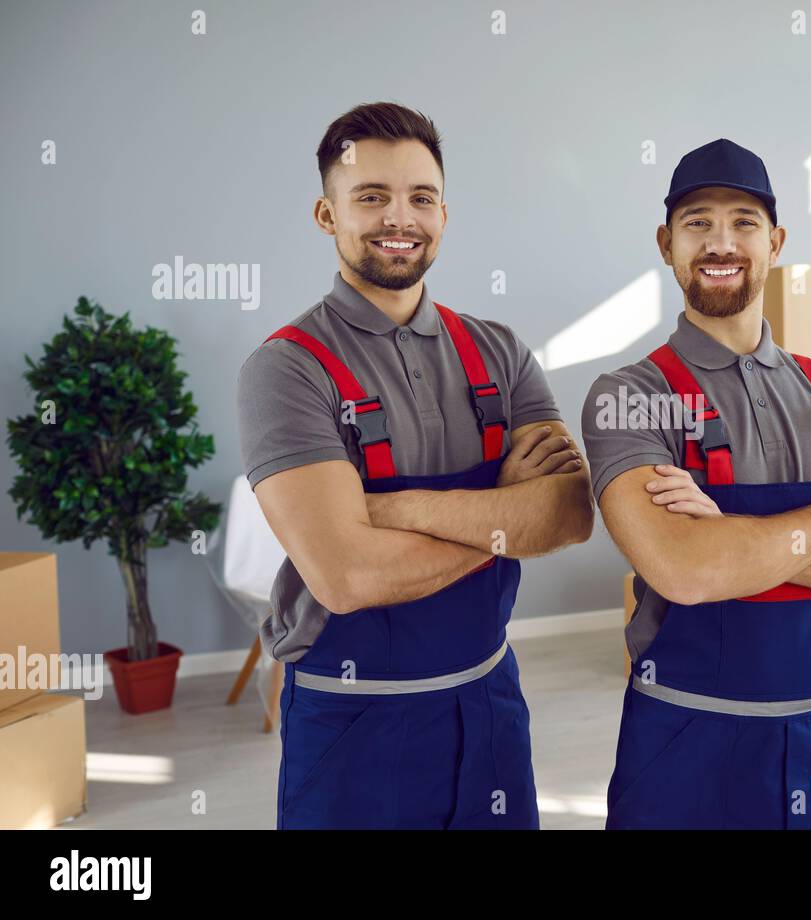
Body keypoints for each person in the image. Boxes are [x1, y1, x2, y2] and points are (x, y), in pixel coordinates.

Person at [236, 102, 593, 829]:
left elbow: (570, 514)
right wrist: (504, 508)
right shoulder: (285, 370)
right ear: (326, 213)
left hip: (490, 703)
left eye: (421, 198)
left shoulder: (501, 352)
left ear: (443, 215)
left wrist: (387, 511)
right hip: (352, 725)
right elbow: (348, 577)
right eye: (371, 197)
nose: (400, 218)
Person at [581, 138, 811, 830]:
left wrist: (728, 540)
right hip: (688, 747)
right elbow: (683, 571)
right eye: (698, 222)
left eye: (743, 222)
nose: (721, 241)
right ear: (667, 243)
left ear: (774, 241)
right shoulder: (629, 397)